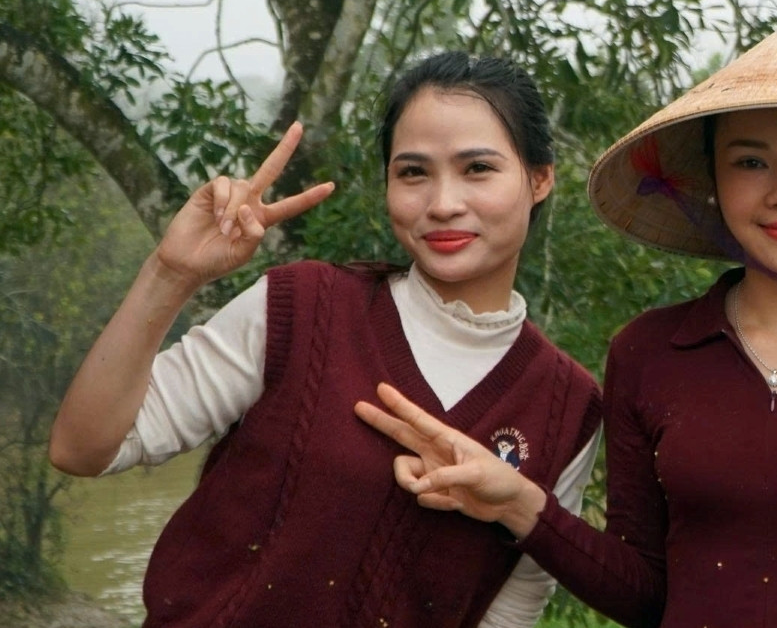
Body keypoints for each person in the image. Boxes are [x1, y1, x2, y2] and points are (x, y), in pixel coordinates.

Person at [356, 28, 777, 628]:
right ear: (712, 183)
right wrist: (519, 504)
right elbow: (642, 591)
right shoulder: (649, 353)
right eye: (750, 162)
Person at [46, 52, 603, 628]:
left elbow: (510, 608)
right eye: (413, 172)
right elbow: (84, 449)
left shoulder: (567, 403)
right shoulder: (302, 307)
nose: (442, 203)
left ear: (539, 179)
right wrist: (171, 273)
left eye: (478, 168)